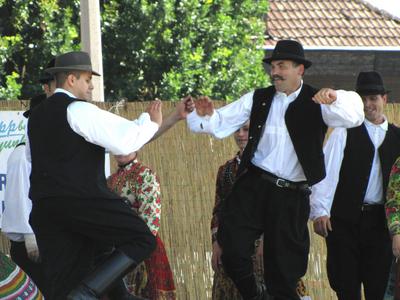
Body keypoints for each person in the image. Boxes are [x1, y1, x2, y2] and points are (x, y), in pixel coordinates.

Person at [186, 39, 364, 300]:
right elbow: (221, 122)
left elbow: (354, 116)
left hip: (291, 196)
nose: (275, 72)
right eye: (273, 66)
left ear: (299, 69)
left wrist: (336, 97)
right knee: (232, 249)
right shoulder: (258, 98)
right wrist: (205, 116)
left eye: (282, 66)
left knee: (283, 274)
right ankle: (256, 297)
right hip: (255, 186)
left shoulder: (318, 102)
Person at [26, 51, 163, 300]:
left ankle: (83, 293)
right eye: (87, 79)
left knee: (64, 283)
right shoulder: (78, 110)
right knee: (141, 238)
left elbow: (31, 159)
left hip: (45, 208)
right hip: (81, 201)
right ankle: (86, 294)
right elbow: (124, 141)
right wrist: (151, 122)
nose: (91, 86)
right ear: (71, 80)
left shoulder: (35, 117)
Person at [310, 71, 400, 300]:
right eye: (364, 99)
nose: (369, 105)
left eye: (373, 99)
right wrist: (320, 210)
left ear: (384, 100)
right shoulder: (344, 131)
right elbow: (326, 172)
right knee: (346, 287)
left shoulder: (398, 138)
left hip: (380, 226)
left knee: (377, 289)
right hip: (344, 223)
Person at [211, 121, 309, 300]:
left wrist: (268, 240)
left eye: (246, 130)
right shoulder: (226, 170)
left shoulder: (274, 170)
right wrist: (217, 241)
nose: (240, 135)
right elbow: (219, 208)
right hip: (234, 240)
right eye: (237, 129)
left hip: (269, 243)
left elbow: (277, 208)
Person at [1, 58, 56, 296]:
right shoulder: (22, 156)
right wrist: (30, 236)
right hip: (30, 243)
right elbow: (20, 198)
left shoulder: (44, 155)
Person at [107, 151, 176, 300]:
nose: (120, 150)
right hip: (114, 251)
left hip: (143, 250)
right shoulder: (109, 181)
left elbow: (151, 221)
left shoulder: (145, 175)